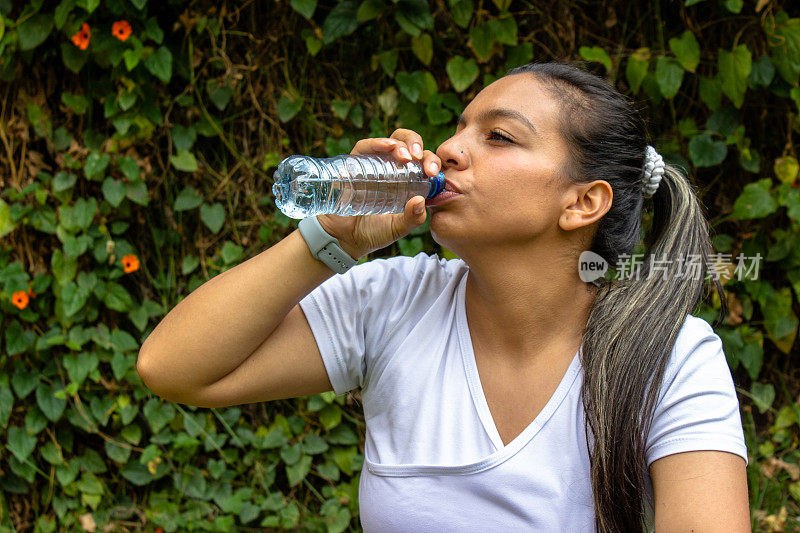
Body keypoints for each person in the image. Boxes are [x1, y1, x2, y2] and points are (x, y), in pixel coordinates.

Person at [136, 61, 751, 532]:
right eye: (460, 128)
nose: (451, 148)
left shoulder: (670, 355)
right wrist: (330, 236)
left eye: (500, 137)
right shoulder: (395, 302)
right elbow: (173, 369)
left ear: (582, 202)